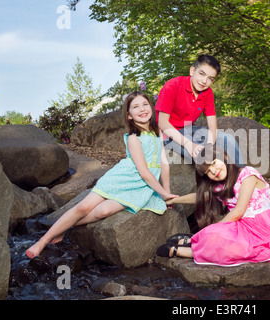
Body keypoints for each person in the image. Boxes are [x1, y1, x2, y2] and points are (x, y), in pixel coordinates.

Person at [26, 92, 178, 258]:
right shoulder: (134, 138)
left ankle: (66, 226)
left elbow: (164, 164)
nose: (142, 109)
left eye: (145, 104)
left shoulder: (157, 133)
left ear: (151, 107)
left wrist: (167, 193)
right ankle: (43, 240)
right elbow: (143, 171)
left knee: (103, 211)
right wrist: (163, 193)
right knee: (84, 207)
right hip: (123, 178)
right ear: (129, 115)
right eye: (135, 107)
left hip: (140, 186)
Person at [157, 144, 270, 266]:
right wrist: (173, 200)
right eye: (208, 172)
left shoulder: (247, 175)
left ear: (225, 156)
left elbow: (238, 211)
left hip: (261, 229)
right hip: (240, 227)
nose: (213, 171)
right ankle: (193, 241)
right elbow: (200, 197)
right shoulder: (221, 186)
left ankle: (184, 250)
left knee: (223, 241)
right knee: (216, 236)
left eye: (213, 163)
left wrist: (213, 230)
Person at [155, 54, 245, 167]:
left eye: (210, 79)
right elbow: (162, 123)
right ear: (192, 71)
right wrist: (189, 144)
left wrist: (209, 145)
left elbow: (212, 125)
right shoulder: (172, 86)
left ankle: (244, 176)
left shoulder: (208, 93)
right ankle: (221, 182)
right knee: (201, 154)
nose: (204, 81)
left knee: (228, 139)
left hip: (189, 129)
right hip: (168, 134)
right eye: (202, 74)